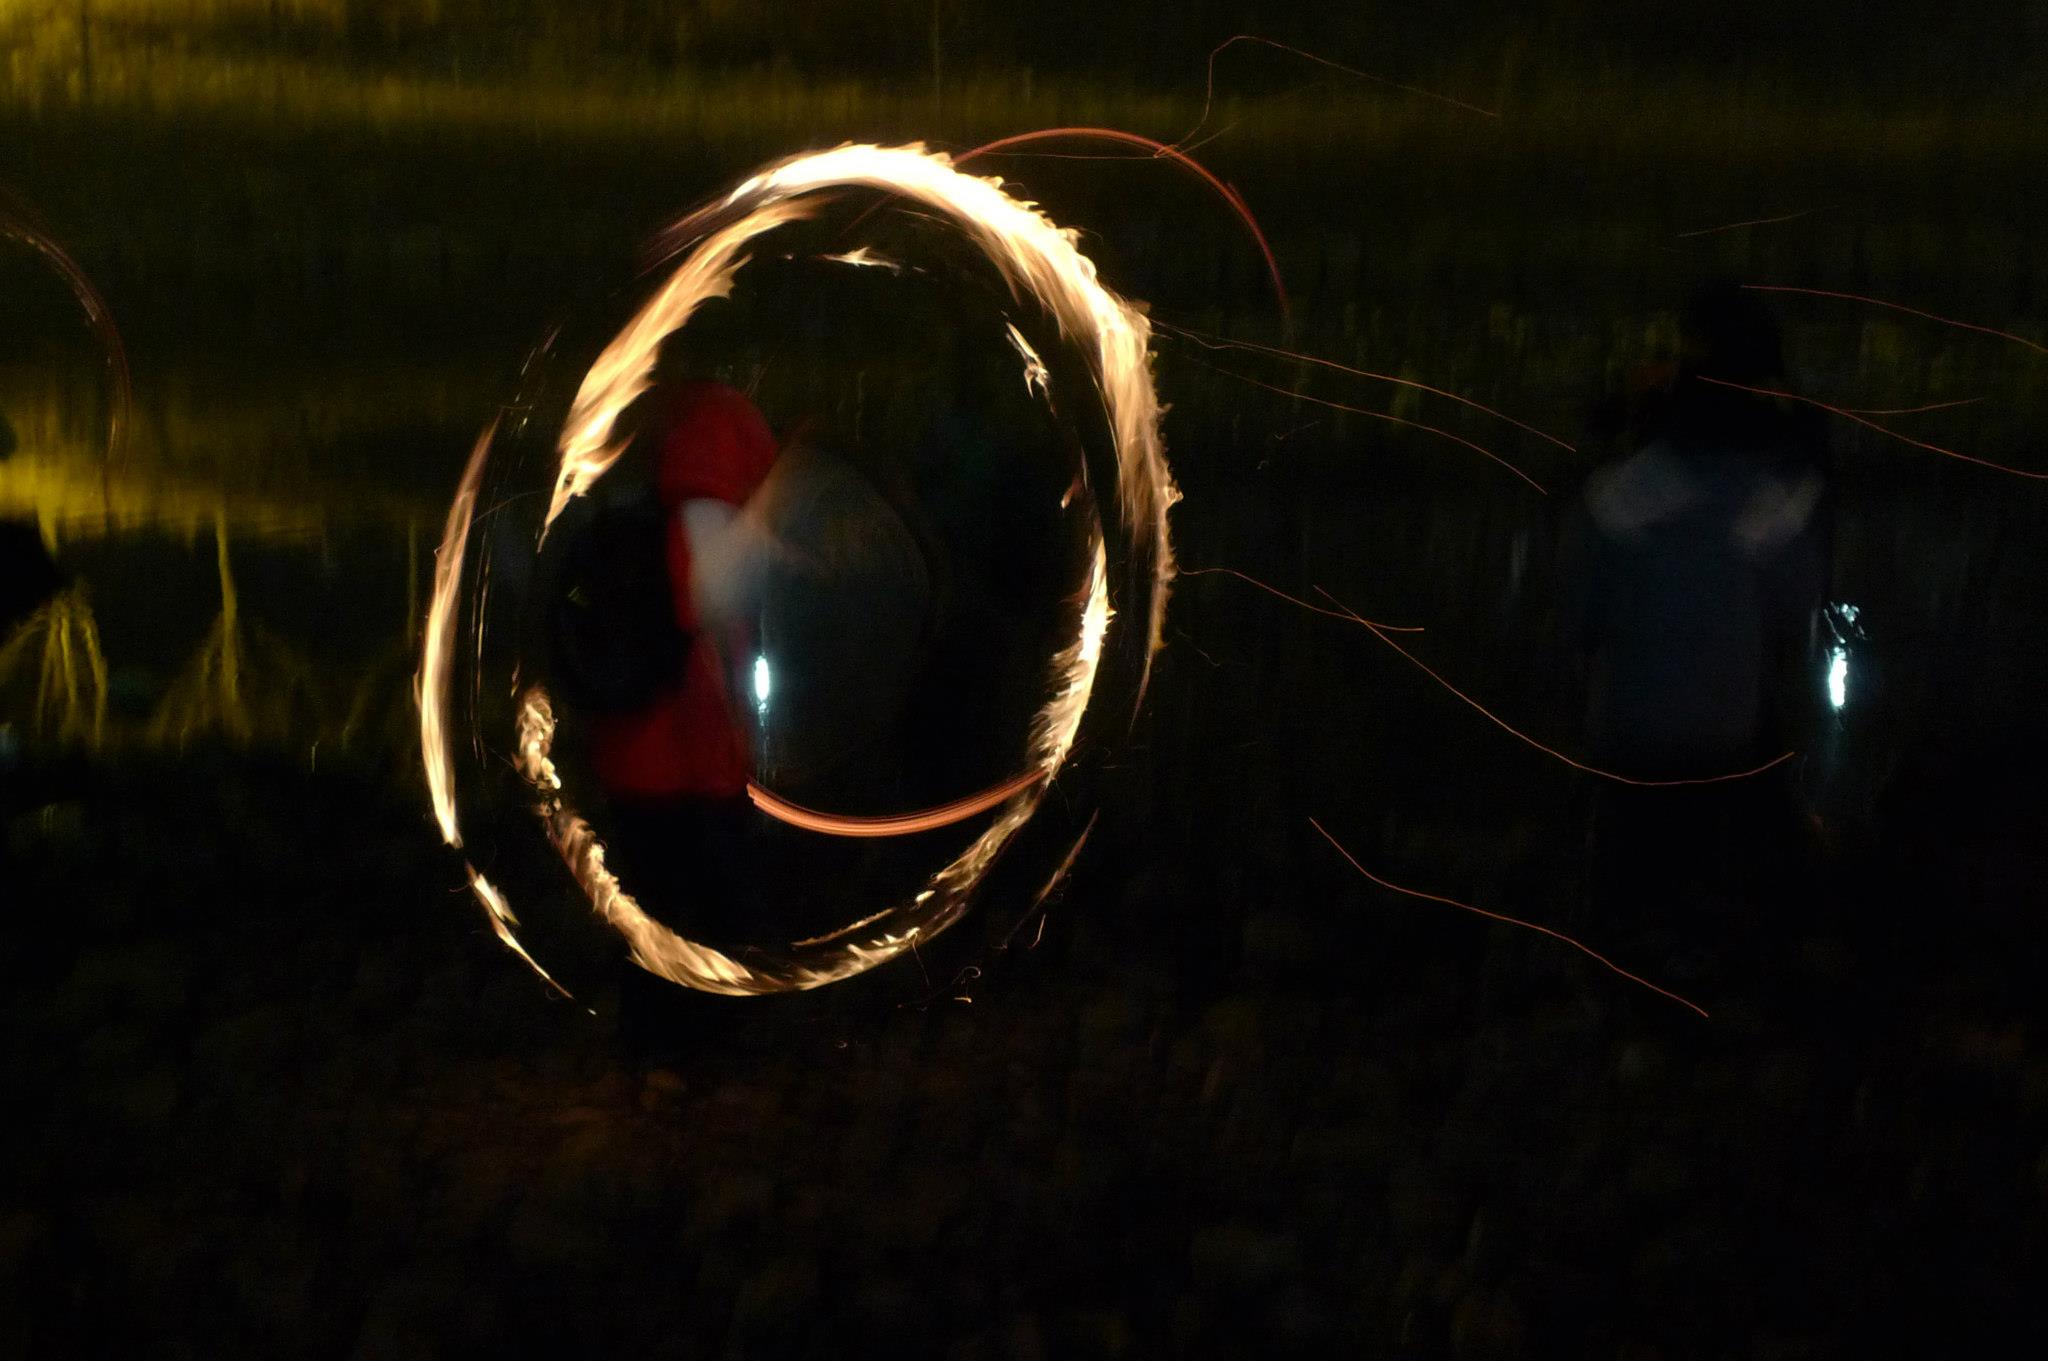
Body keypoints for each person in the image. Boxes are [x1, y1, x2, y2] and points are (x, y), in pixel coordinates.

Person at [1564, 282, 1830, 999]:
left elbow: (1581, 620)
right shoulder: (1772, 504)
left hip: (1626, 729)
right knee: (1721, 834)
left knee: (1637, 852)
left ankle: (1630, 969)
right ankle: (1707, 960)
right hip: (1724, 730)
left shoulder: (1614, 498)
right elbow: (1794, 617)